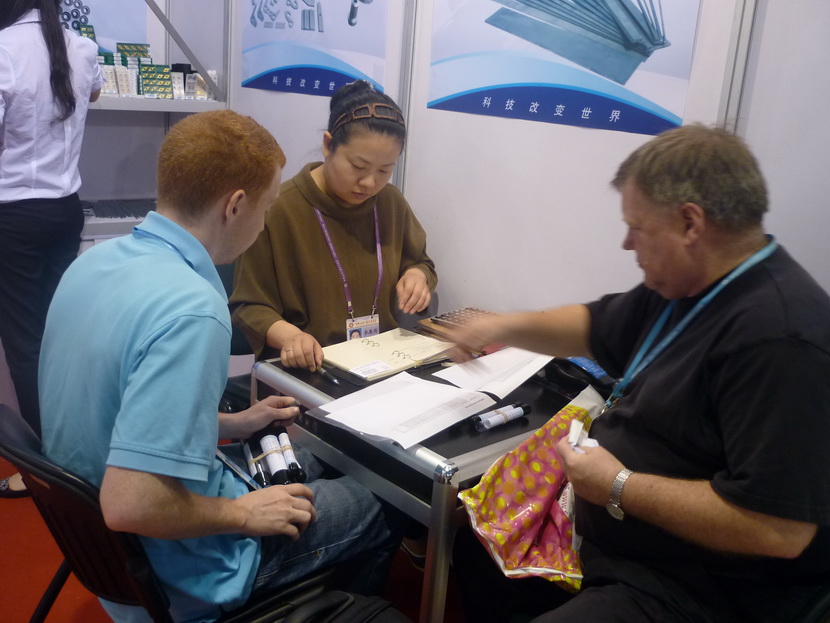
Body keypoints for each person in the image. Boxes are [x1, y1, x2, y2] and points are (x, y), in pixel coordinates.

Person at [450, 125, 830, 622]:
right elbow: (595, 324)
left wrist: (617, 485)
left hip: (696, 590)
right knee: (476, 551)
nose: (627, 243)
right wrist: (499, 325)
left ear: (690, 223)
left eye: (638, 226)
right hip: (622, 548)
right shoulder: (691, 285)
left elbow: (778, 530)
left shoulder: (780, 341)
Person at [39, 110, 404, 622]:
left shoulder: (93, 263)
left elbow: (111, 406)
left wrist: (231, 423)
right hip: (193, 564)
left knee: (315, 460)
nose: (265, 222)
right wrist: (241, 514)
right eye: (267, 207)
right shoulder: (193, 311)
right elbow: (130, 504)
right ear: (235, 206)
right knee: (386, 499)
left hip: (110, 555)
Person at [230, 80, 437, 371]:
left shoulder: (390, 203)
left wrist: (417, 276)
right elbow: (248, 306)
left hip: (381, 362)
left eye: (384, 170)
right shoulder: (277, 209)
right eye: (358, 167)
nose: (369, 183)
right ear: (328, 145)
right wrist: (291, 336)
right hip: (310, 368)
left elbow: (419, 261)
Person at [0, 0, 102, 498]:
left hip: (14, 215)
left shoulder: (4, 49)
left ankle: (44, 465)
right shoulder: (82, 48)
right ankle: (74, 448)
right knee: (60, 335)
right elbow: (94, 92)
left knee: (25, 344)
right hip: (65, 210)